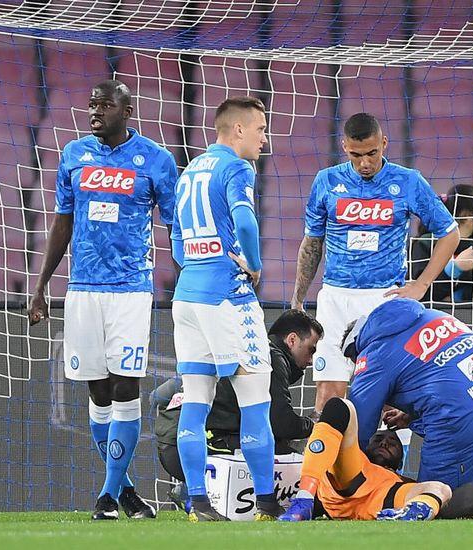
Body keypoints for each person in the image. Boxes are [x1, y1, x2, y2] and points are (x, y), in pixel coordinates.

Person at [28, 80, 175, 521]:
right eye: (91, 104)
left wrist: (187, 280)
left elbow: (175, 227)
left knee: (125, 385)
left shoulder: (156, 160)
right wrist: (41, 286)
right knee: (97, 390)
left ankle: (107, 497)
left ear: (127, 111)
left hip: (131, 289)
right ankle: (124, 492)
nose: (95, 111)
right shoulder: (74, 155)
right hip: (83, 289)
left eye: (105, 105)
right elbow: (62, 222)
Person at [290, 113, 460, 414]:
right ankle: (328, 448)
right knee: (328, 395)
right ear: (345, 147)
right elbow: (312, 242)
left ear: (384, 143)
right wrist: (298, 299)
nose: (365, 163)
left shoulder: (408, 181)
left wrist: (421, 285)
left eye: (372, 153)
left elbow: (450, 233)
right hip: (335, 297)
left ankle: (386, 448)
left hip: (384, 299)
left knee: (386, 394)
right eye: (356, 155)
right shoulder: (327, 181)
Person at [170, 96, 280, 522]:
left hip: (187, 296)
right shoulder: (237, 167)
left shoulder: (190, 171)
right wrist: (253, 265)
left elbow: (176, 239)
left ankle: (198, 503)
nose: (264, 139)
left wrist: (198, 265)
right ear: (238, 130)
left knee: (196, 399)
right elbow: (247, 222)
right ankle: (267, 503)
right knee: (255, 399)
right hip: (226, 297)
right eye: (260, 129)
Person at [335, 298, 473, 496]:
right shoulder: (434, 315)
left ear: (354, 349)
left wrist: (341, 477)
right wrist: (411, 417)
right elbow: (447, 374)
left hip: (466, 417)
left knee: (430, 499)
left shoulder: (372, 353)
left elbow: (358, 425)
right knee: (457, 484)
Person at [278, 398, 473, 521]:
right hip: (350, 480)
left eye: (392, 443)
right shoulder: (355, 459)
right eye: (379, 439)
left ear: (400, 460)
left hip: (388, 499)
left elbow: (467, 508)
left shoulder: (402, 482)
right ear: (366, 445)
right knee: (342, 406)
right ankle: (302, 499)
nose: (385, 442)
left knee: (440, 489)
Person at [153, 309, 322, 483]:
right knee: (287, 458)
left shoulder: (250, 351)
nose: (311, 360)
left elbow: (157, 396)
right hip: (196, 444)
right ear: (292, 340)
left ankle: (190, 491)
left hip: (175, 440)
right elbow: (281, 424)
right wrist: (314, 425)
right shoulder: (270, 358)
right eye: (311, 350)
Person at [410, 184, 473, 304]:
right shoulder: (425, 244)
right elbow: (418, 293)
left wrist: (460, 296)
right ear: (466, 215)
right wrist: (454, 269)